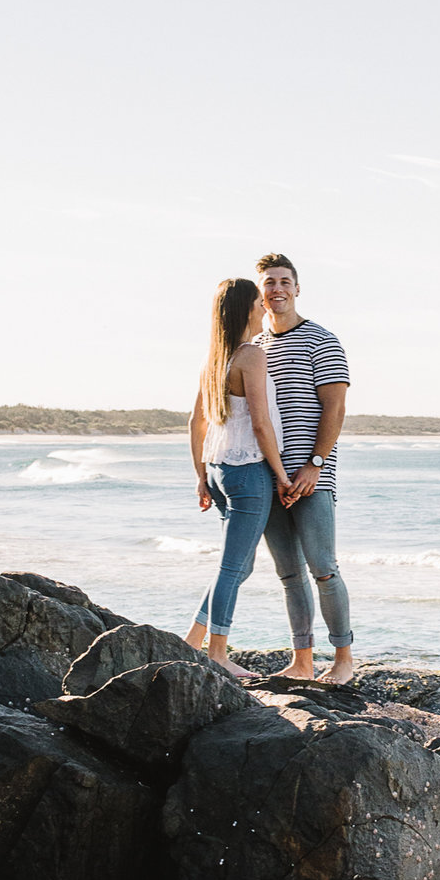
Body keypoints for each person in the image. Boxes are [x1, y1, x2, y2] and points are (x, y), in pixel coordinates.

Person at [254, 251, 356, 683]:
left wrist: (315, 464)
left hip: (312, 475)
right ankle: (302, 661)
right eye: (269, 282)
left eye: (283, 281)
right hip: (267, 476)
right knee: (289, 574)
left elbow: (335, 409)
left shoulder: (322, 339)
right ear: (260, 292)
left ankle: (344, 660)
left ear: (297, 288)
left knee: (323, 567)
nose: (276, 289)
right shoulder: (254, 347)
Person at [183, 277, 290, 671]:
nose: (265, 308)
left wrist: (200, 475)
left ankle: (193, 640)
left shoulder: (214, 359)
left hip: (218, 469)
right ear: (247, 308)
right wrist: (281, 475)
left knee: (238, 565)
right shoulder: (250, 355)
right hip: (248, 471)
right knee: (232, 567)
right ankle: (218, 655)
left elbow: (196, 421)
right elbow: (261, 424)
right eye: (259, 304)